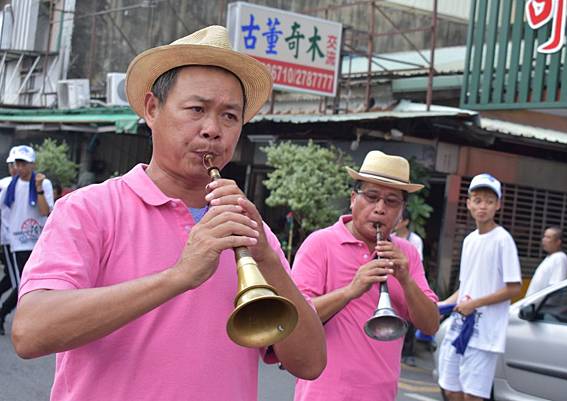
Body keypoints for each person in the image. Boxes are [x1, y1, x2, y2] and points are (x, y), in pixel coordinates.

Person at [11, 25, 325, 401]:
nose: (213, 130)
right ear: (152, 109)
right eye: (196, 109)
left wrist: (267, 258)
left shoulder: (249, 232)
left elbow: (310, 364)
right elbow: (30, 332)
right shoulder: (88, 209)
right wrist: (178, 276)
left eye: (229, 116)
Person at [291, 150, 439, 401]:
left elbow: (430, 324)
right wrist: (351, 291)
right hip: (322, 393)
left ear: (402, 212)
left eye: (392, 202)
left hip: (381, 394)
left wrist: (405, 279)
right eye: (371, 197)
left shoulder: (408, 254)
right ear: (352, 199)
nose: (380, 209)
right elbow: (294, 318)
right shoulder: (320, 243)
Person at [437, 173, 521, 401]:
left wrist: (475, 303)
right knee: (450, 388)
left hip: (485, 334)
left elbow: (514, 288)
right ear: (469, 203)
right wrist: (441, 305)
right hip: (459, 328)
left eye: (489, 201)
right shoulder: (469, 240)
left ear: (498, 205)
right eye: (478, 200)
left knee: (473, 395)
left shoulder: (503, 240)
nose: (483, 206)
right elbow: (466, 286)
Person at [0, 145, 53, 335]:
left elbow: (45, 211)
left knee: (33, 284)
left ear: (32, 165)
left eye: (24, 163)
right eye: (18, 163)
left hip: (38, 241)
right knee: (22, 284)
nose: (20, 167)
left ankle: (6, 314)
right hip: (16, 241)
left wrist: (38, 189)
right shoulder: (8, 186)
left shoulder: (43, 184)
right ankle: (7, 314)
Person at [394, 207, 424, 366]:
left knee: (411, 319)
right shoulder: (389, 237)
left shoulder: (415, 240)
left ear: (405, 222)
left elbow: (417, 263)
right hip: (394, 278)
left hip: (409, 278)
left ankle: (408, 353)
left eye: (399, 219)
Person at [0, 147, 17, 335]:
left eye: (20, 164)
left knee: (12, 279)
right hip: (9, 240)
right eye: (13, 164)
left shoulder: (37, 184)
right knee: (18, 282)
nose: (16, 168)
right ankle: (3, 313)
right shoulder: (4, 185)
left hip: (29, 241)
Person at [525, 227, 567, 296]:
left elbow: (556, 287)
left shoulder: (560, 258)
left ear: (558, 242)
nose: (544, 240)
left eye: (548, 237)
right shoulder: (550, 257)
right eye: (544, 237)